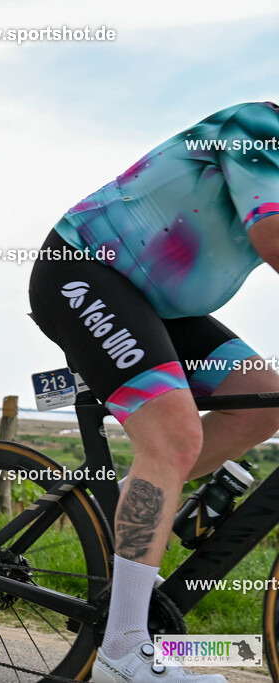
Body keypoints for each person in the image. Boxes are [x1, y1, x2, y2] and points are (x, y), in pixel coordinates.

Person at [29, 101, 279, 682]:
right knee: (172, 437)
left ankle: (132, 508)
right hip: (85, 270)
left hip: (159, 305)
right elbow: (273, 238)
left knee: (265, 397)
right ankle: (121, 651)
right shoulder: (258, 129)